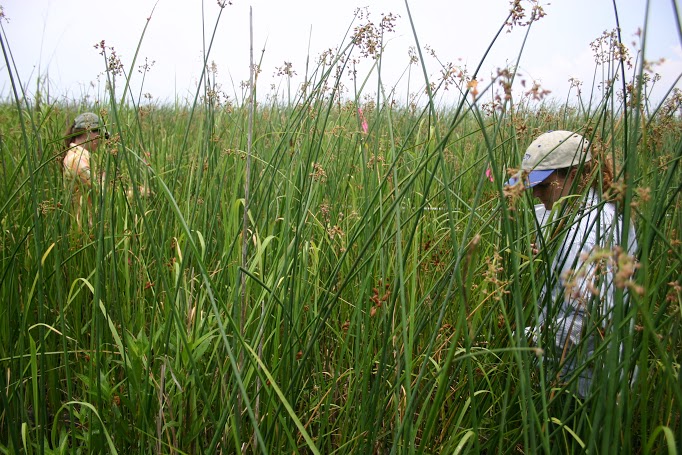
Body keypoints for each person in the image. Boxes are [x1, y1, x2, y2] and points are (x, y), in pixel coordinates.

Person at [507, 130, 638, 398]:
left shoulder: (592, 230)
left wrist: (521, 339)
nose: (534, 194)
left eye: (542, 185)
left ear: (577, 175)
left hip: (588, 385)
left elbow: (593, 321)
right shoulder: (568, 211)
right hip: (563, 371)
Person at [62, 112, 108, 227]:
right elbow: (100, 191)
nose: (101, 140)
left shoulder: (80, 157)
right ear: (89, 132)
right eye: (100, 134)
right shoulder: (76, 160)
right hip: (84, 227)